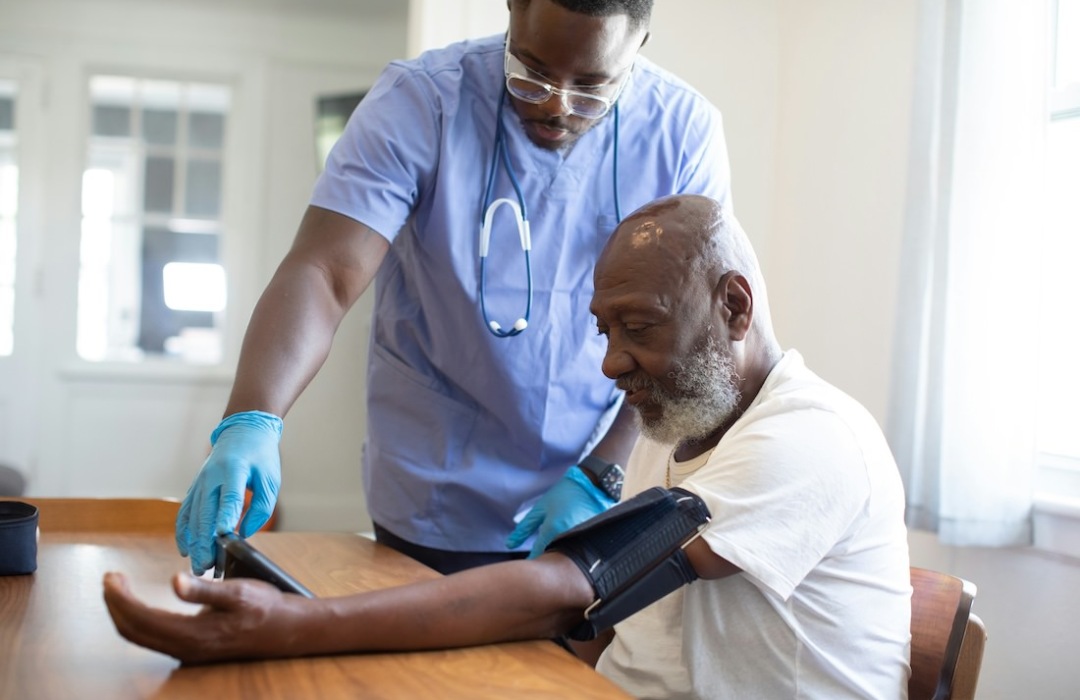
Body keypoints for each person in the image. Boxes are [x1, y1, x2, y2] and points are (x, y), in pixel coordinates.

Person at [107, 194, 912, 699]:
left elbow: (574, 587)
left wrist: (293, 627)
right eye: (604, 331)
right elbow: (598, 620)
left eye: (638, 327)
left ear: (734, 306)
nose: (610, 362)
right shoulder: (682, 431)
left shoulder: (810, 440)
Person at [174, 0, 733, 577]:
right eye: (532, 72)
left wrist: (604, 472)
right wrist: (253, 419)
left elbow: (687, 337)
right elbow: (325, 272)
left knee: (556, 665)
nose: (554, 105)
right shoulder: (421, 100)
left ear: (637, 49)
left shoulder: (683, 133)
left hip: (595, 479)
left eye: (592, 88)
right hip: (432, 486)